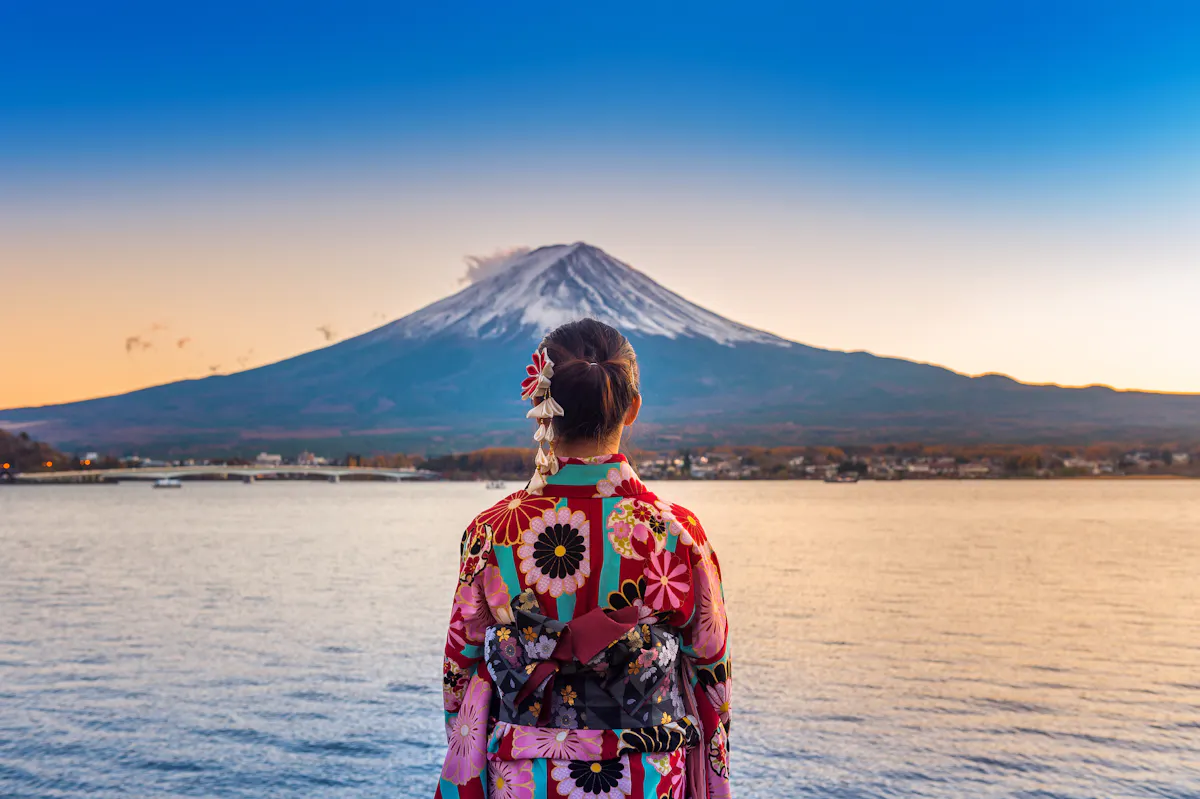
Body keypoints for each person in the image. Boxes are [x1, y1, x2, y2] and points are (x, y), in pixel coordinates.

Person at [435, 319, 733, 799]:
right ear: (632, 408)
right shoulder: (677, 532)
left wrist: (467, 734)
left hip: (525, 773)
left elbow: (460, 668)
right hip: (648, 773)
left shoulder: (492, 531)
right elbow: (712, 673)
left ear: (541, 407)